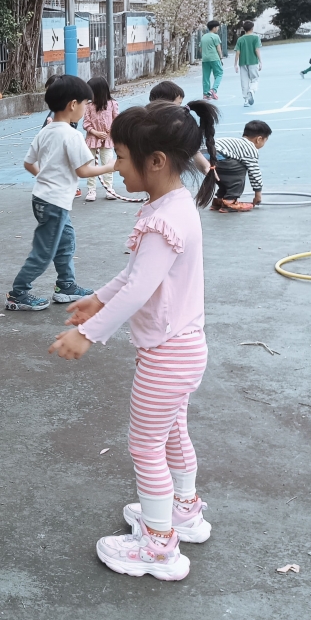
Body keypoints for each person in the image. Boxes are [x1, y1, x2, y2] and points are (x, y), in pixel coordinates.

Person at [50, 99, 221, 581]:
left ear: (157, 161)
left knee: (145, 447)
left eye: (122, 158)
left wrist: (88, 334)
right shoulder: (173, 206)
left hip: (167, 355)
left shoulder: (164, 220)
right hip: (184, 347)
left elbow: (140, 289)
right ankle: (183, 511)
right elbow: (134, 277)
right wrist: (97, 300)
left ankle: (159, 547)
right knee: (172, 433)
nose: (116, 166)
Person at [4, 75, 115, 311]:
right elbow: (84, 170)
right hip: (54, 203)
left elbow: (28, 163)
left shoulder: (45, 131)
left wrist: (44, 178)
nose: (86, 109)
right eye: (85, 104)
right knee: (44, 252)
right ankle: (18, 293)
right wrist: (111, 166)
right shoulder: (71, 135)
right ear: (73, 105)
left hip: (44, 199)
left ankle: (66, 285)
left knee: (65, 242)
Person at [148, 81, 210, 174]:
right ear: (166, 104)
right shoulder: (171, 124)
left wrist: (206, 167)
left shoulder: (146, 120)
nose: (180, 108)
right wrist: (205, 167)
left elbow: (193, 150)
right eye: (178, 104)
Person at [210, 120, 272, 213]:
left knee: (227, 176)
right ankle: (230, 202)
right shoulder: (250, 148)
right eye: (265, 140)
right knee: (240, 168)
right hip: (217, 157)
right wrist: (258, 194)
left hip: (202, 158)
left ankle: (219, 200)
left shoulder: (236, 143)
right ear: (259, 139)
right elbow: (254, 172)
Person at [82, 77, 119, 202]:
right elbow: (86, 123)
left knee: (108, 163)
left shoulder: (112, 104)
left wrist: (110, 130)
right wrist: (95, 132)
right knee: (91, 165)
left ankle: (109, 188)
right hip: (92, 140)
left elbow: (117, 120)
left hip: (107, 140)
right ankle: (91, 189)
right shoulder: (88, 106)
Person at [234, 20, 262, 106]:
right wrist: (260, 61)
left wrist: (235, 64)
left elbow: (237, 52)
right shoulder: (255, 38)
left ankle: (246, 100)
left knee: (244, 81)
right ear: (252, 28)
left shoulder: (240, 39)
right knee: (255, 79)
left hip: (242, 62)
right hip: (253, 61)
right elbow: (257, 50)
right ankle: (251, 91)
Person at [200, 20, 224, 100]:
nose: (218, 29)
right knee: (219, 73)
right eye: (217, 27)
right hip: (214, 58)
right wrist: (221, 58)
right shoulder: (215, 36)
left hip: (205, 59)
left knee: (206, 76)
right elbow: (218, 48)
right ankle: (213, 90)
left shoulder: (203, 37)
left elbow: (200, 49)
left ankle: (206, 94)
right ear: (214, 28)